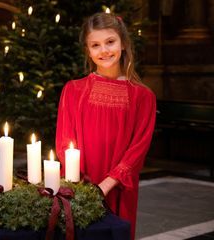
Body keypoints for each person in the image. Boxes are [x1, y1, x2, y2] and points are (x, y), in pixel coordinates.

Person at [55, 12, 156, 240]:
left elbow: (138, 148)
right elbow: (64, 140)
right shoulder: (73, 90)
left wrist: (107, 184)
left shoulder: (143, 96)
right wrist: (82, 185)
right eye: (95, 45)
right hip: (79, 185)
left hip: (119, 187)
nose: (104, 50)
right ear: (88, 51)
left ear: (123, 43)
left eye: (110, 42)